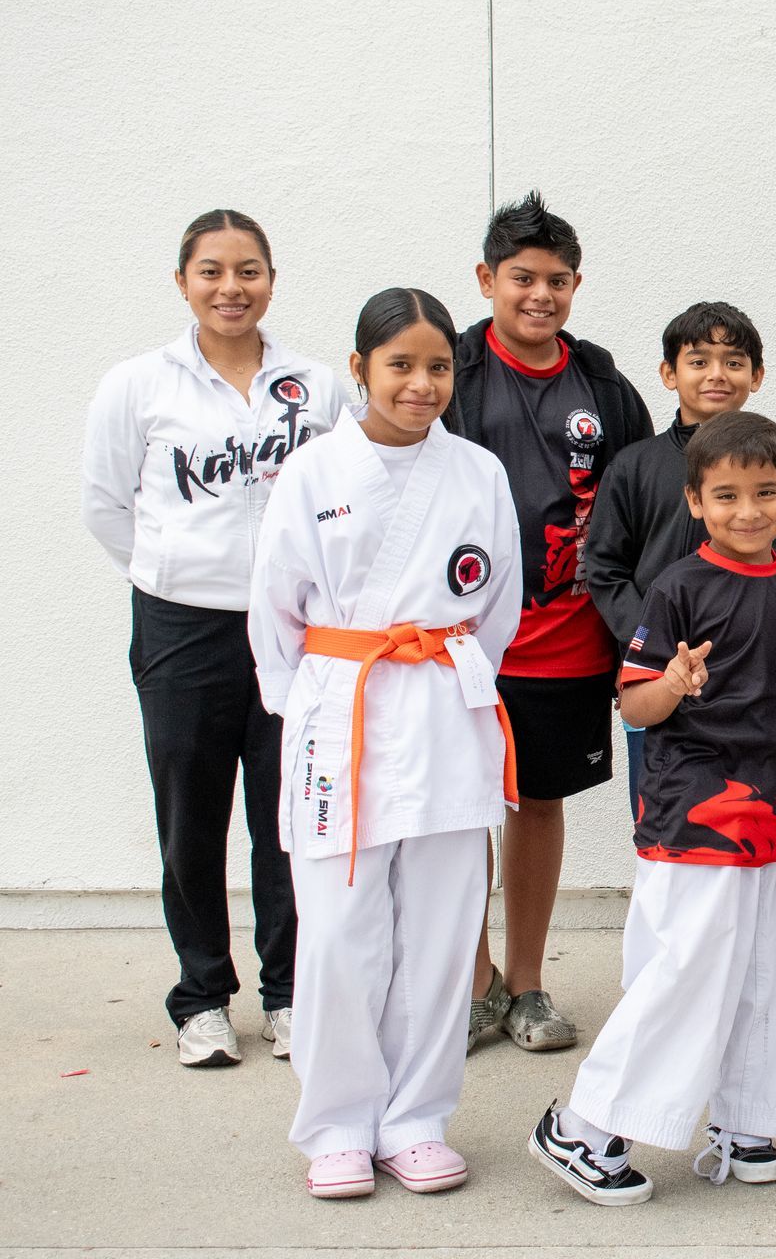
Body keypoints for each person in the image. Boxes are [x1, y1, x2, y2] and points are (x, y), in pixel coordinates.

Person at [249, 287, 522, 1198]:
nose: (420, 384)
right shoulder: (313, 472)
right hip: (343, 711)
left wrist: (446, 678)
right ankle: (335, 1124)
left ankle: (415, 1119)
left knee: (442, 933)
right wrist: (308, 709)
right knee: (337, 931)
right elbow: (275, 608)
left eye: (438, 366)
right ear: (359, 368)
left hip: (445, 705)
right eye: (399, 365)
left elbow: (498, 608)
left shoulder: (478, 472)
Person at [531, 412, 776, 1205]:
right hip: (696, 815)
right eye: (726, 495)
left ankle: (747, 1119)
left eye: (766, 493)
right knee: (688, 971)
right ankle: (584, 1127)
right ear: (695, 501)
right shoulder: (677, 588)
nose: (748, 511)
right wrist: (676, 683)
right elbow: (634, 707)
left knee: (772, 972)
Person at [81, 209, 349, 1067]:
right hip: (180, 625)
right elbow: (106, 505)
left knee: (289, 813)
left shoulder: (314, 384)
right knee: (188, 816)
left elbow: (344, 492)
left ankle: (290, 993)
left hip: (296, 628)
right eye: (211, 271)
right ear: (183, 282)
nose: (230, 288)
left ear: (272, 278)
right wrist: (177, 573)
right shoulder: (139, 384)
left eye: (248, 270)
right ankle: (201, 997)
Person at [442, 191, 653, 1052]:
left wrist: (635, 631)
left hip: (564, 643)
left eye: (557, 280)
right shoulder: (446, 369)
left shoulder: (602, 382)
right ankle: (472, 981)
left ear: (576, 285)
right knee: (457, 814)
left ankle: (525, 985)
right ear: (487, 279)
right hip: (454, 648)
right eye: (522, 278)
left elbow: (644, 504)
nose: (540, 295)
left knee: (536, 802)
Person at [581, 301, 776, 824]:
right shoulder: (635, 465)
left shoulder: (775, 469)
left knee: (754, 810)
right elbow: (605, 566)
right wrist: (653, 644)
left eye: (733, 361)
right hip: (659, 681)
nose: (716, 375)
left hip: (751, 684)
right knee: (668, 818)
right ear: (668, 373)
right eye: (698, 360)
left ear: (757, 375)